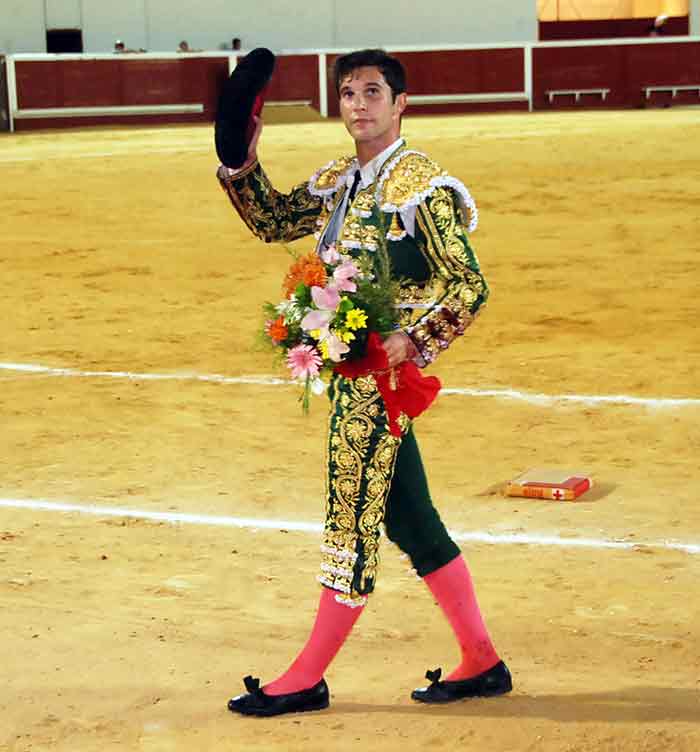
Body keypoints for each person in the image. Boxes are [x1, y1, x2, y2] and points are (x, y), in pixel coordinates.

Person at [218, 48, 511, 716]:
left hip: (383, 381)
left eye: (372, 91)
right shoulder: (341, 180)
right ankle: (482, 660)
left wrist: (412, 340)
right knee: (411, 517)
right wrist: (239, 158)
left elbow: (470, 285)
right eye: (348, 92)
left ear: (400, 103)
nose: (358, 103)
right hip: (349, 376)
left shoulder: (423, 187)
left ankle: (306, 676)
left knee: (352, 518)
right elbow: (270, 220)